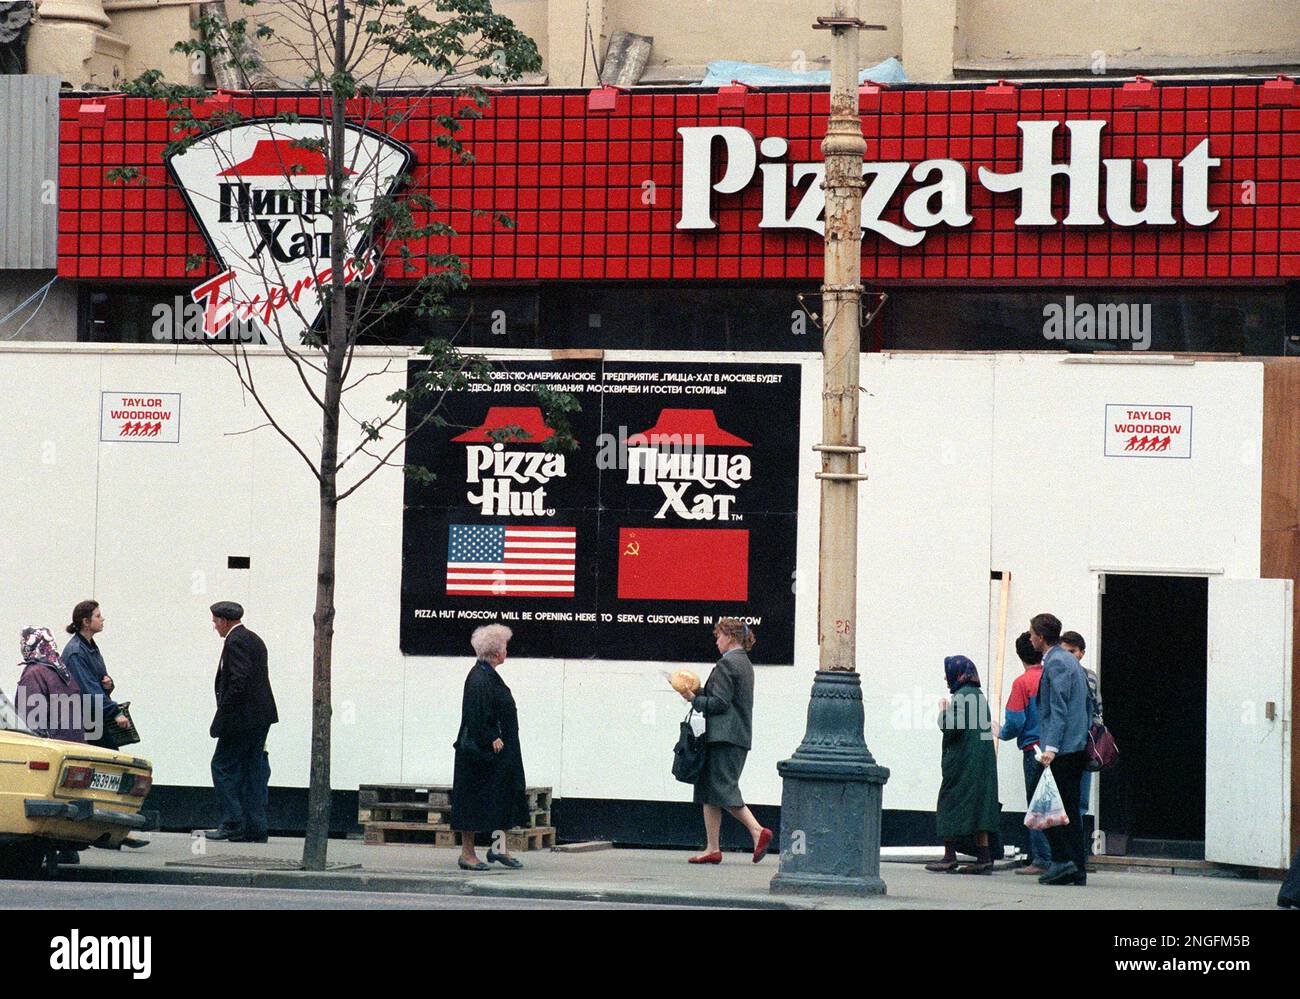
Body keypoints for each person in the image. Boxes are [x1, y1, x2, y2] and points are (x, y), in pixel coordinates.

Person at [677, 618, 773, 865]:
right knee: (708, 790)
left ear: (730, 637)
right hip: (734, 736)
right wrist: (698, 692)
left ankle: (756, 830)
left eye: (719, 636)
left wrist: (691, 697)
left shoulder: (727, 664)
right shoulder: (743, 663)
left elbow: (719, 704)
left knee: (722, 788)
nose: (717, 641)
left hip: (724, 737)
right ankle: (712, 848)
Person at [451, 623, 528, 871]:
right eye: (505, 646)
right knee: (472, 802)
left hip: (499, 753)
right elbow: (475, 713)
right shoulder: (479, 678)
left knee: (502, 797)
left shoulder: (488, 674)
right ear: (496, 652)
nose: (507, 650)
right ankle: (467, 854)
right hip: (481, 753)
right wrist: (491, 737)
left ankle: (498, 849)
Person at [202, 602, 277, 843]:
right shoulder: (254, 639)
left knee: (222, 766)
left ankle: (231, 822)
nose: (215, 627)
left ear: (224, 620)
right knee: (252, 770)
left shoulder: (235, 642)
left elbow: (238, 682)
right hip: (259, 717)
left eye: (215, 622)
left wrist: (223, 717)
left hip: (241, 719)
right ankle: (255, 827)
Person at [925, 655, 1001, 874]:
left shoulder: (962, 697)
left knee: (949, 802)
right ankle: (984, 857)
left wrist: (942, 712)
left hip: (963, 762)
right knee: (981, 806)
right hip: (983, 762)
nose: (945, 677)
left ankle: (949, 856)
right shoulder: (979, 696)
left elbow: (952, 727)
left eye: (947, 672)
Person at [1031, 612, 1091, 886]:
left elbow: (1058, 707)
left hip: (1063, 748)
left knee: (1043, 798)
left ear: (1041, 637)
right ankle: (1077, 867)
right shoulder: (1071, 662)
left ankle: (1061, 860)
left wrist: (1051, 748)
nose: (1030, 638)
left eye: (1032, 633)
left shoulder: (1055, 662)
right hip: (1077, 745)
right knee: (1070, 808)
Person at [997, 631, 1051, 875]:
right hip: (1056, 747)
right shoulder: (1051, 676)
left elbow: (1015, 721)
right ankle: (1060, 856)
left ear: (1019, 655)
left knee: (1036, 802)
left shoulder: (1022, 683)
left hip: (1034, 750)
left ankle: (1040, 859)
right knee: (1056, 803)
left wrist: (1001, 733)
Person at [61, 600, 131, 746]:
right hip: (85, 721)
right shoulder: (76, 652)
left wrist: (108, 684)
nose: (102, 619)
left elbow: (97, 681)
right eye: (98, 616)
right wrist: (114, 712)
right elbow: (87, 689)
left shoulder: (90, 647)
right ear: (86, 622)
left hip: (95, 716)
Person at [14, 628, 84, 743]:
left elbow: (28, 722)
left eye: (22, 642)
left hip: (53, 749)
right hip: (77, 747)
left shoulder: (33, 674)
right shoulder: (62, 671)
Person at [1060, 630, 1100, 819]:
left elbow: (1097, 708)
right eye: (1064, 651)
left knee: (1081, 799)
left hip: (1083, 742)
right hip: (1063, 744)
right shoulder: (1056, 675)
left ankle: (1079, 842)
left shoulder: (1090, 677)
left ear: (1081, 653)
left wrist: (1095, 736)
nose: (1068, 656)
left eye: (1072, 651)